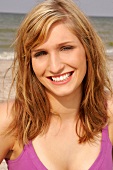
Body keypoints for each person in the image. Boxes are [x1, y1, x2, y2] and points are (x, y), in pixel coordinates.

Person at [0, 0, 113, 169]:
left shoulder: (109, 114)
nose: (55, 67)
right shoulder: (11, 120)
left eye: (65, 48)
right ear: (29, 62)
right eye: (41, 53)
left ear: (88, 50)